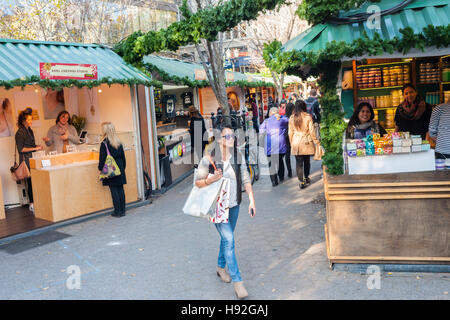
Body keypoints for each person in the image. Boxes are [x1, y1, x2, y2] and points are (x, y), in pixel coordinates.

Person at [194, 124, 255, 299]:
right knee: (229, 240)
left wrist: (252, 200)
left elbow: (245, 178)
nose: (232, 139)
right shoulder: (210, 158)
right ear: (220, 139)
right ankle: (238, 282)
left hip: (234, 205)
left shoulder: (238, 156)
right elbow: (198, 182)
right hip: (217, 208)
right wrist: (212, 179)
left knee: (226, 239)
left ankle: (220, 267)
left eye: (233, 136)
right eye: (228, 136)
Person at [15, 109, 44, 212]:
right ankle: (32, 203)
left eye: (31, 119)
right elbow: (21, 149)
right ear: (23, 120)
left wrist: (38, 147)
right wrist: (35, 148)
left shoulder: (30, 130)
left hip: (32, 158)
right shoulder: (20, 133)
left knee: (35, 180)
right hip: (26, 160)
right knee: (30, 181)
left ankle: (36, 201)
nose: (31, 121)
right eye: (29, 119)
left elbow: (31, 145)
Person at [289, 100, 320, 189]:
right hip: (306, 142)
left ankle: (301, 181)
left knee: (299, 163)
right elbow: (312, 131)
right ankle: (306, 178)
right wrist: (316, 141)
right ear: (304, 107)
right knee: (307, 162)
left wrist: (292, 143)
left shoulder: (291, 118)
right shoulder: (308, 117)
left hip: (296, 142)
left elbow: (290, 132)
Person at [98, 122, 127, 217]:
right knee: (120, 189)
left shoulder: (104, 143)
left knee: (114, 190)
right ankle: (123, 211)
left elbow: (102, 159)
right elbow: (123, 157)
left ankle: (117, 212)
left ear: (105, 130)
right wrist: (122, 168)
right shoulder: (118, 141)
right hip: (120, 167)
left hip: (111, 168)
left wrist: (100, 170)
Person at [260, 107, 289, 186]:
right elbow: (288, 120)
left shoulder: (266, 121)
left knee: (271, 163)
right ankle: (281, 176)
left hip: (270, 146)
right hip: (280, 145)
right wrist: (281, 116)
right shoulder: (281, 120)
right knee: (279, 160)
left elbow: (261, 130)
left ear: (270, 113)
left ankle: (274, 181)